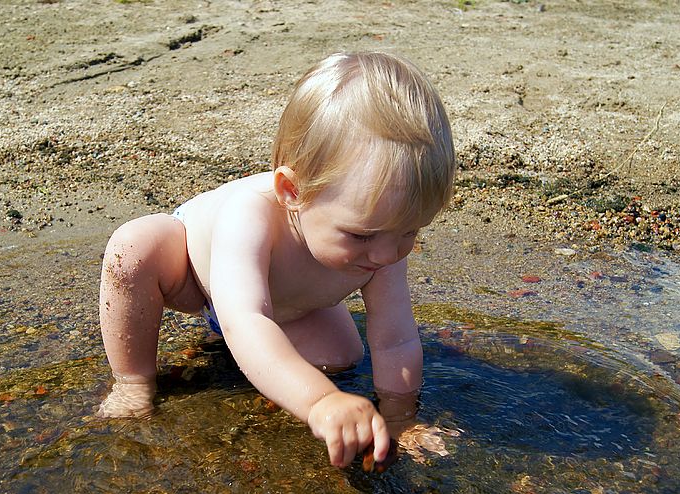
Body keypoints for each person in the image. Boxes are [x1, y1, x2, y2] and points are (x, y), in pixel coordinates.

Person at [97, 51, 456, 469]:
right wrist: (320, 401)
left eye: (411, 232)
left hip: (287, 305)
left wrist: (399, 417)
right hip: (194, 275)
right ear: (292, 192)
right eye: (361, 236)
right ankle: (132, 381)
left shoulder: (383, 238)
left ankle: (246, 355)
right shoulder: (250, 214)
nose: (386, 255)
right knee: (134, 248)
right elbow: (246, 319)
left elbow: (395, 338)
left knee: (341, 358)